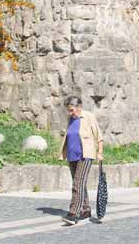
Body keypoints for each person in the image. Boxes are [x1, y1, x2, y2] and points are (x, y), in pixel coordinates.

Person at [59, 96, 104, 226]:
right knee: (80, 183)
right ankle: (86, 209)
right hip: (72, 156)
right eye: (68, 110)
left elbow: (99, 136)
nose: (70, 113)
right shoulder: (70, 119)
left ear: (79, 107)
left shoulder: (88, 116)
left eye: (72, 110)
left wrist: (100, 152)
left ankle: (73, 214)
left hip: (85, 155)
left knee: (77, 184)